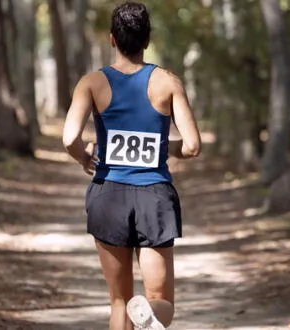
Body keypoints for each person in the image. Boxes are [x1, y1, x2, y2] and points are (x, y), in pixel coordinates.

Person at [62, 2, 201, 329]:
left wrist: (84, 157)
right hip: (153, 198)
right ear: (147, 40)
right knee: (159, 303)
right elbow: (193, 145)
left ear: (112, 39)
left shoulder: (92, 83)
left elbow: (69, 138)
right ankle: (149, 316)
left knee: (119, 302)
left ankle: (136, 315)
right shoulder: (167, 82)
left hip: (109, 195)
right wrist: (165, 149)